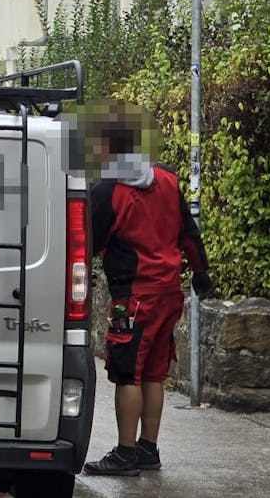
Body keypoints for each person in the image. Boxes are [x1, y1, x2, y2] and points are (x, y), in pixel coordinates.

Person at [82, 110, 213, 477]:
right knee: (153, 372)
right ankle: (147, 448)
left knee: (127, 374)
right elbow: (189, 231)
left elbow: (87, 240)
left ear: (107, 146)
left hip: (134, 297)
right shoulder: (167, 177)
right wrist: (201, 273)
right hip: (170, 293)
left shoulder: (109, 188)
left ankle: (124, 454)